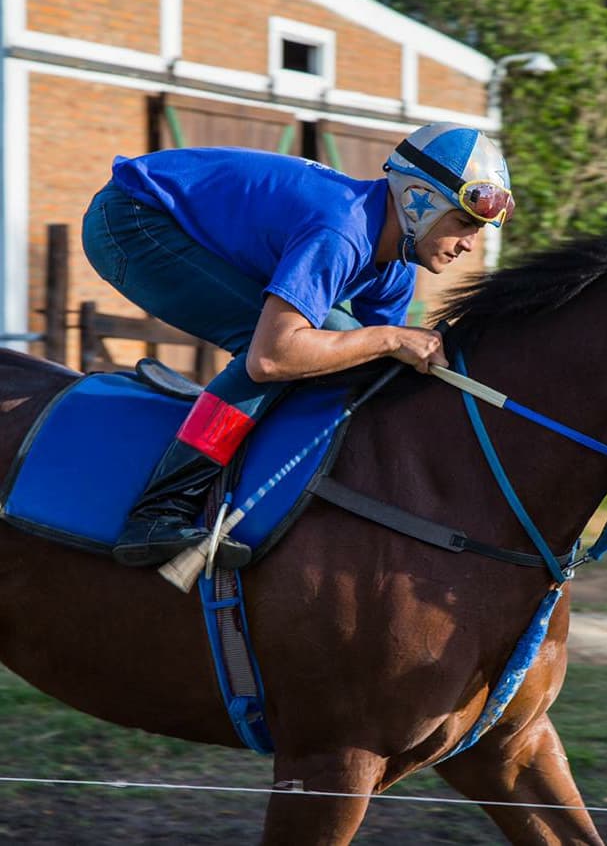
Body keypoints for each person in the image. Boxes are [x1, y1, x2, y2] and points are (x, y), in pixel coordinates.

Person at [81, 121, 514, 569]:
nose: (470, 244)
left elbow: (375, 372)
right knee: (276, 348)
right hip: (131, 219)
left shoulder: (397, 270)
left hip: (181, 224)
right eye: (465, 222)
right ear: (417, 200)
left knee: (343, 344)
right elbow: (272, 359)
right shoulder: (341, 230)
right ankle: (158, 514)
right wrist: (390, 337)